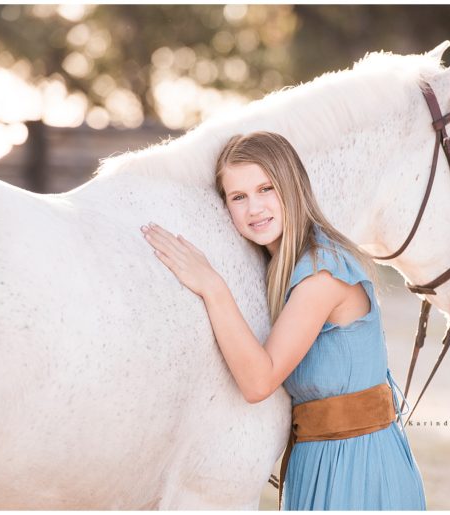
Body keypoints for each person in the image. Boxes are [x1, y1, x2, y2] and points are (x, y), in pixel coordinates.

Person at [140, 131, 426, 510]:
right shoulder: (283, 269)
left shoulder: (322, 273)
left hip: (358, 462)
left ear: (292, 186)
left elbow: (259, 381)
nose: (253, 208)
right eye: (238, 197)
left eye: (265, 189)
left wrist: (213, 286)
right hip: (317, 459)